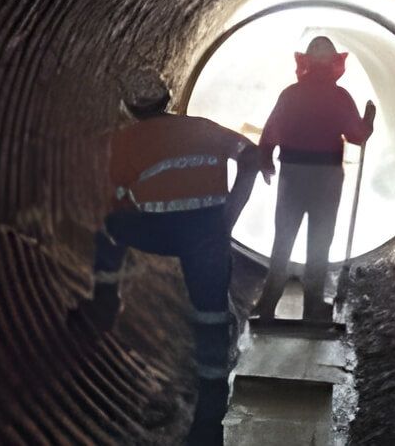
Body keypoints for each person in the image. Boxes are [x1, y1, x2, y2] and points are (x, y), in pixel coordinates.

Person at [69, 70, 258, 446]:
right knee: (210, 319)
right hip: (207, 237)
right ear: (167, 100)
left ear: (128, 108)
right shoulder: (204, 127)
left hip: (166, 231)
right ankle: (209, 421)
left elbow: (118, 198)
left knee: (110, 227)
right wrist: (230, 214)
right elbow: (251, 155)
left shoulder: (125, 141)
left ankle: (105, 303)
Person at [253, 36, 375, 321]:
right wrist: (369, 119)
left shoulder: (291, 93)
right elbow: (357, 136)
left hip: (292, 174)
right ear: (335, 64)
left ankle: (267, 304)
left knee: (283, 238)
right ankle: (313, 306)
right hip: (327, 176)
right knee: (320, 240)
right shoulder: (340, 96)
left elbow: (271, 131)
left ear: (305, 62)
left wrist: (265, 161)